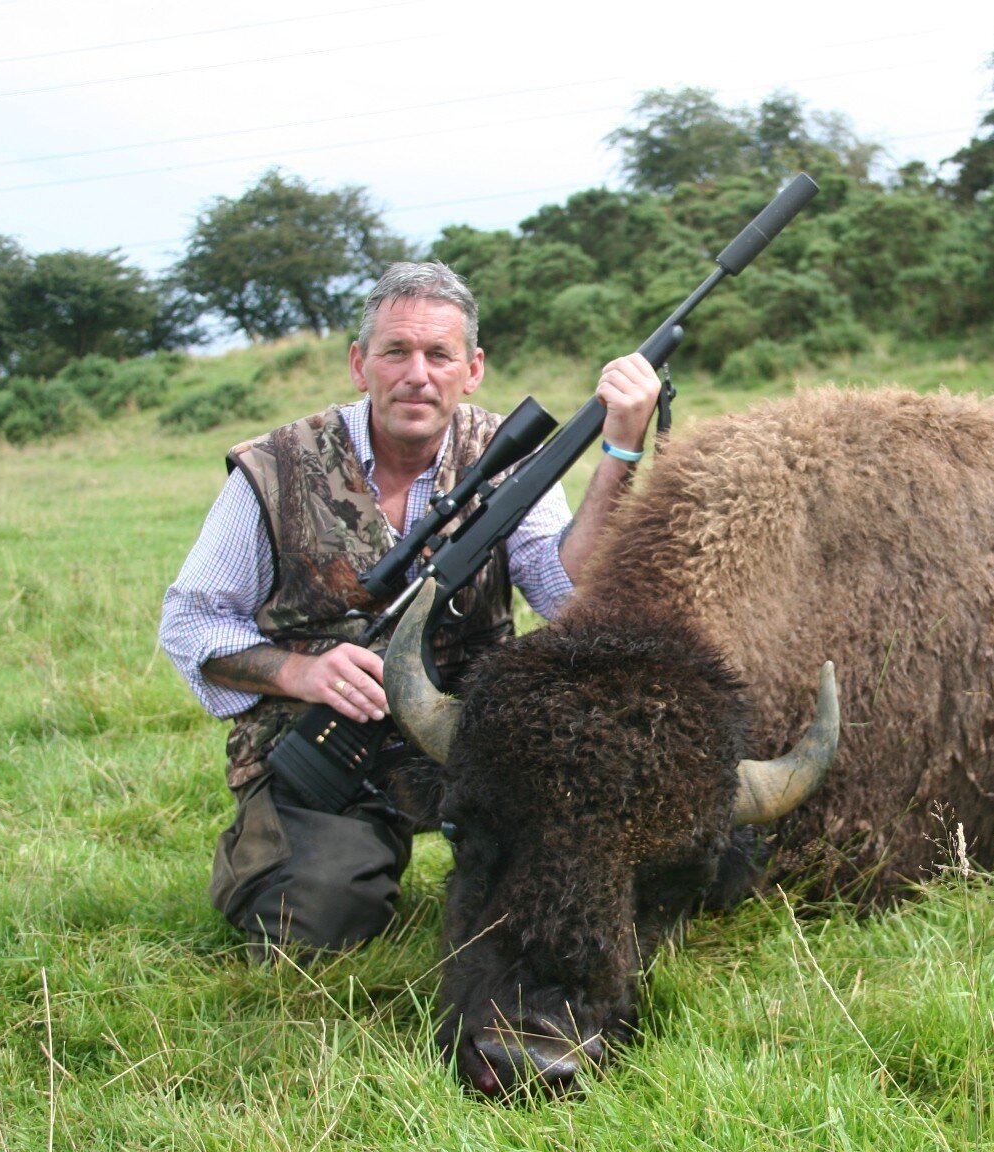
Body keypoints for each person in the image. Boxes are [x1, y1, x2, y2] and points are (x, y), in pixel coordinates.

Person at [160, 261, 661, 959]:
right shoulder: (274, 467)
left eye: (438, 354)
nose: (417, 374)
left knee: (574, 891)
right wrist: (300, 673)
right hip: (326, 752)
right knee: (314, 926)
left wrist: (621, 452)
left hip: (472, 739)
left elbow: (562, 593)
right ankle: (274, 853)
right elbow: (191, 624)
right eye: (395, 351)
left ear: (473, 368)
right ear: (360, 363)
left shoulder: (508, 459)